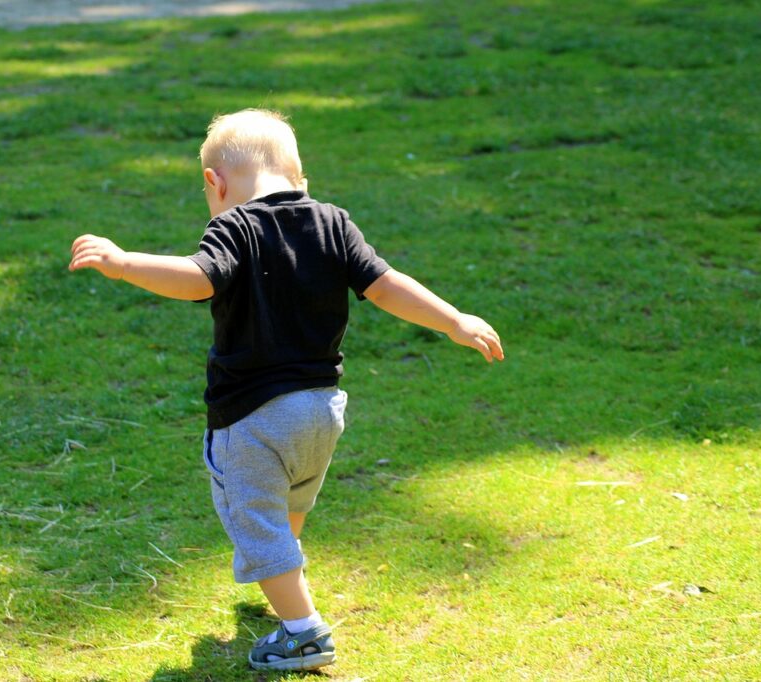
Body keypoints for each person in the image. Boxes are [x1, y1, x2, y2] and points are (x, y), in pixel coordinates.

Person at [68, 109, 505, 671]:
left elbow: (197, 278)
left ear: (215, 184)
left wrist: (126, 263)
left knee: (256, 518)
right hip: (322, 410)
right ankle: (286, 589)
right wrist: (453, 320)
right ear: (300, 178)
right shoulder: (332, 222)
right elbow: (387, 284)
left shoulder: (235, 226)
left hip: (252, 418)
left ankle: (303, 631)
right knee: (289, 506)